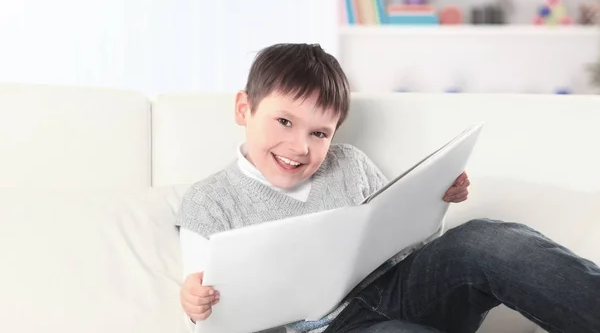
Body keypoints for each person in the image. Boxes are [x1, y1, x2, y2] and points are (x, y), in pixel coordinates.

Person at [175, 43, 600, 333]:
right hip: (331, 328)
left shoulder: (350, 164)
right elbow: (208, 308)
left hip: (395, 290)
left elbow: (406, 245)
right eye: (284, 122)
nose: (299, 147)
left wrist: (436, 202)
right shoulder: (208, 202)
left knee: (488, 239)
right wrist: (196, 302)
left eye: (320, 134)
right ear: (243, 109)